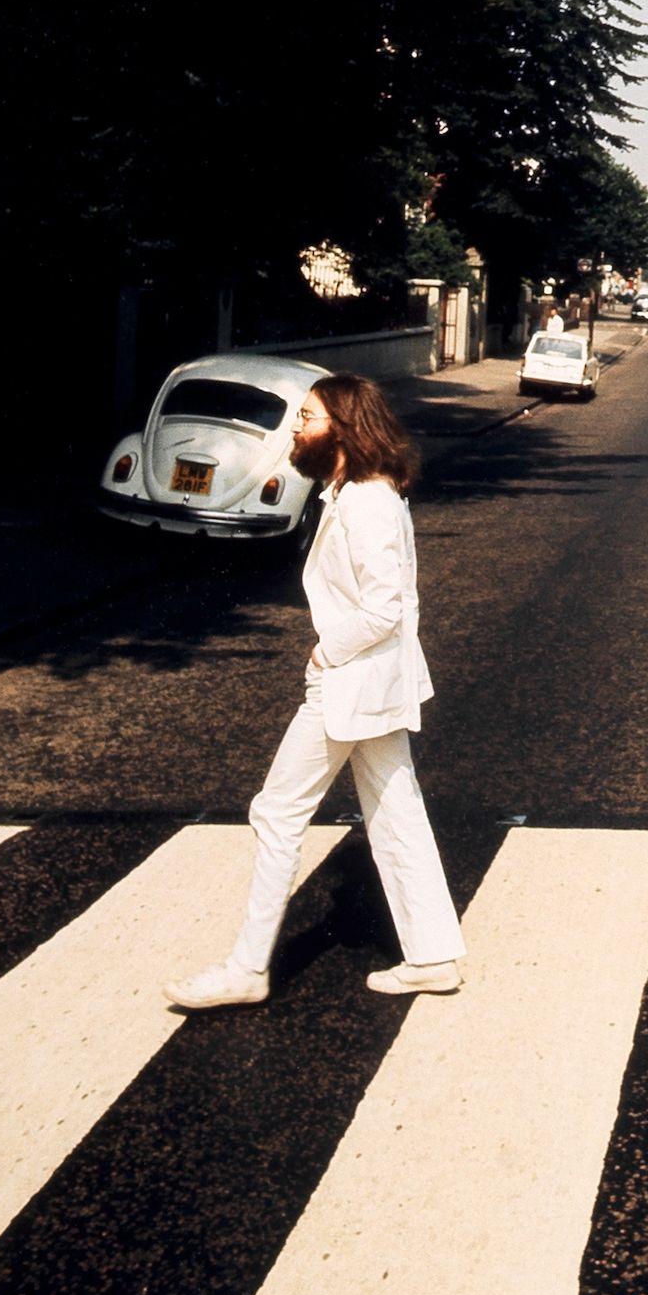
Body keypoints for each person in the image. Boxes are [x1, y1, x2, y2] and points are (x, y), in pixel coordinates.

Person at [166, 373, 465, 1009]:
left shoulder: (367, 502)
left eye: (307, 416)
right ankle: (434, 955)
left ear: (344, 428)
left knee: (277, 812)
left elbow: (384, 607)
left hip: (349, 685)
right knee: (396, 812)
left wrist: (325, 653)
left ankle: (248, 969)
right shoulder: (355, 492)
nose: (296, 428)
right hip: (372, 685)